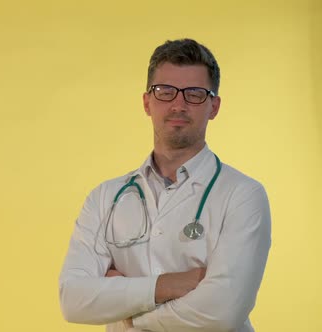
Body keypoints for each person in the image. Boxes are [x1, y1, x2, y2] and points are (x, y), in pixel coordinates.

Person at [58, 38, 271, 332]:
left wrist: (132, 315)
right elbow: (73, 299)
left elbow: (224, 311)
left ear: (214, 106)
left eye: (195, 94)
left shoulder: (243, 195)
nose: (178, 104)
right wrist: (168, 285)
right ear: (147, 102)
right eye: (165, 92)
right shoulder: (105, 198)